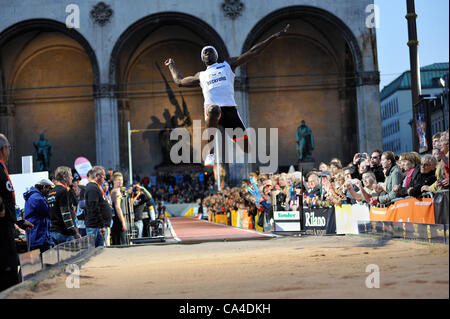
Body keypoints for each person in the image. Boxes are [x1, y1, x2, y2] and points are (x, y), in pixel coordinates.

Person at [165, 24, 290, 166]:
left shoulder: (227, 65)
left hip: (230, 111)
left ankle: (235, 139)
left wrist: (274, 36)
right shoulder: (201, 75)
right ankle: (210, 154)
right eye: (204, 52)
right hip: (212, 110)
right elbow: (179, 81)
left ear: (216, 55)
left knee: (247, 148)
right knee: (214, 109)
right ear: (202, 59)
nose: (207, 53)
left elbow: (253, 52)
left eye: (210, 51)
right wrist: (171, 65)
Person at [1, 134, 33, 291]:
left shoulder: (2, 167)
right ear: (3, 149)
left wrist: (18, 221)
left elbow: (8, 199)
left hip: (8, 225)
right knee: (9, 272)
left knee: (13, 270)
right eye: (8, 148)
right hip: (2, 230)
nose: (9, 151)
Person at [48, 166, 80, 244]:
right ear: (65, 178)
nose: (72, 178)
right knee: (72, 256)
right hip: (65, 233)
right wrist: (74, 232)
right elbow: (66, 214)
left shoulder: (51, 192)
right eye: (70, 176)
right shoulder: (64, 191)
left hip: (54, 232)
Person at [23, 179, 54, 253]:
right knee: (42, 261)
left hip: (35, 234)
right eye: (49, 189)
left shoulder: (33, 196)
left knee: (36, 262)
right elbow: (48, 213)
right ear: (44, 187)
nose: (49, 192)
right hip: (39, 235)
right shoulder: (38, 198)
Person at [85, 166, 112, 247]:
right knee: (95, 253)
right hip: (95, 227)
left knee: (100, 252)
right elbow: (94, 207)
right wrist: (101, 225)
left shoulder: (96, 187)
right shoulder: (92, 188)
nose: (104, 177)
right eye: (103, 175)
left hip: (97, 227)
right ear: (96, 176)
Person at [110, 172, 128, 245]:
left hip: (116, 220)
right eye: (118, 180)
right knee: (121, 244)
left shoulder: (113, 191)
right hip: (118, 221)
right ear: (114, 181)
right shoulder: (116, 192)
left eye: (121, 180)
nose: (121, 182)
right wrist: (123, 222)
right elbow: (118, 207)